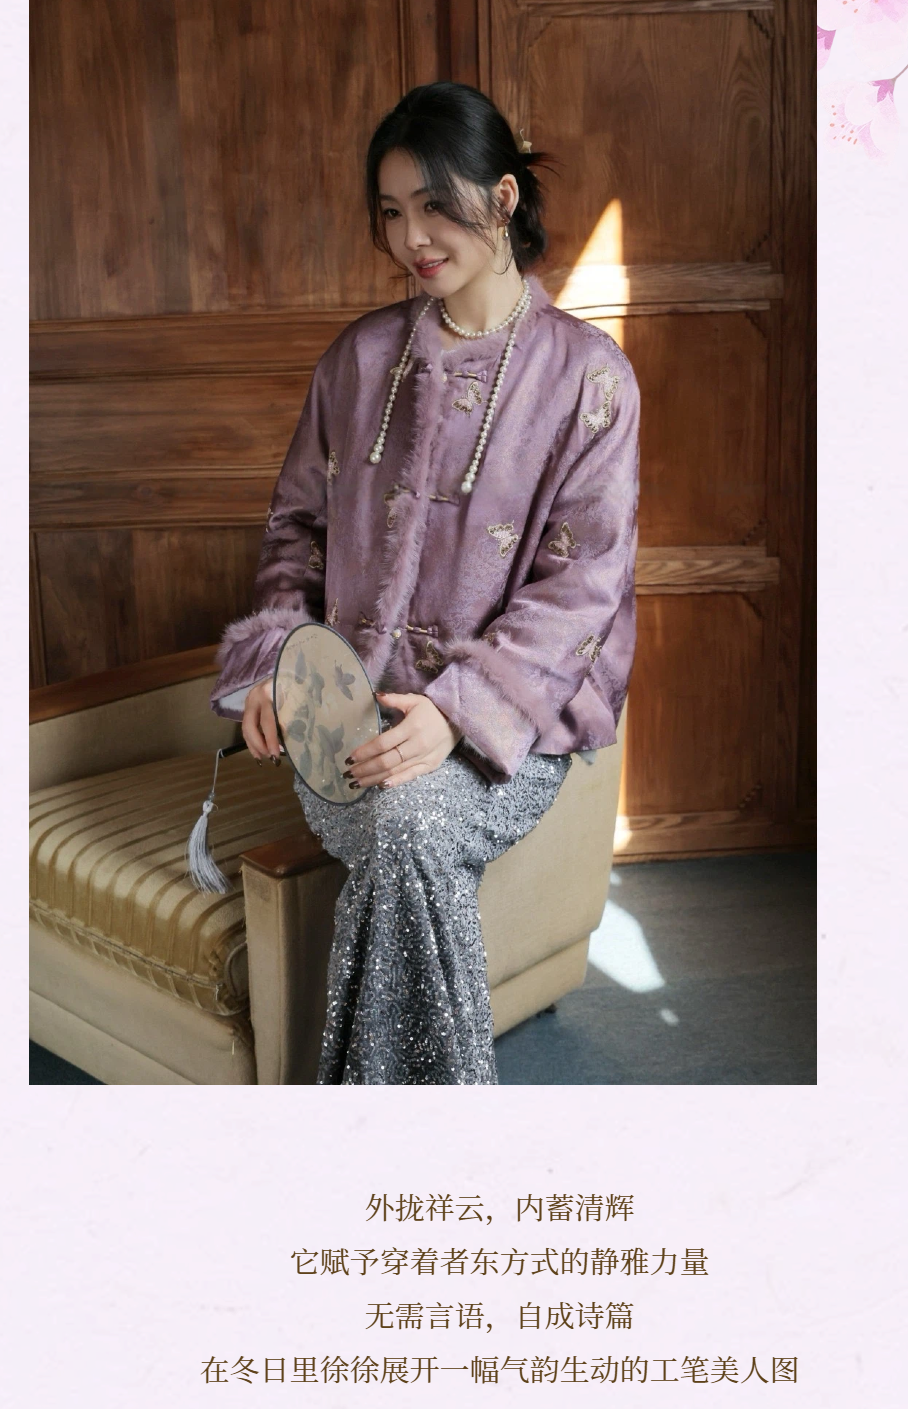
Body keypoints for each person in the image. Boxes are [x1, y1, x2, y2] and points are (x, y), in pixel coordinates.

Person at [212, 82, 639, 1083]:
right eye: (393, 212)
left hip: (510, 727)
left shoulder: (589, 379)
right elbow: (294, 535)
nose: (413, 238)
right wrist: (279, 666)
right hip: (347, 718)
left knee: (411, 824)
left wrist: (457, 712)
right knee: (399, 820)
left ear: (502, 198)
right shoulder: (358, 360)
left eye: (435, 206)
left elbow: (582, 587)